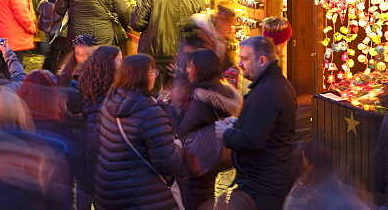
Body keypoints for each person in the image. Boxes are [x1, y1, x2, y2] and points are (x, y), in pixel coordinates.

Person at [95, 53, 184, 209]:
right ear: (141, 77)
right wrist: (177, 147)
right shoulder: (151, 113)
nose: (155, 76)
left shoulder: (110, 101)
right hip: (143, 195)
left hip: (111, 189)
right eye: (152, 72)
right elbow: (167, 164)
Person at [219, 35, 297, 209]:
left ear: (262, 60)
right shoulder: (273, 85)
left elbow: (252, 139)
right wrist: (236, 124)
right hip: (266, 179)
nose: (239, 64)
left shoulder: (267, 92)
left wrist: (226, 134)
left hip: (262, 184)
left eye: (245, 58)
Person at [175, 48, 242, 210]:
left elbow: (181, 131)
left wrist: (168, 107)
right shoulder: (222, 90)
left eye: (190, 66)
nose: (187, 69)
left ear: (201, 69)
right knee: (206, 196)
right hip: (215, 159)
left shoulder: (201, 98)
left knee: (196, 200)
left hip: (197, 160)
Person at [129, 0, 206, 87]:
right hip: (181, 57)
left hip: (153, 54)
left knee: (149, 92)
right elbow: (201, 31)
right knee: (177, 98)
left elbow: (136, 23)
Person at [75, 44, 122, 204]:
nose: (123, 64)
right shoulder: (104, 97)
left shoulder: (89, 87)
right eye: (120, 60)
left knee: (85, 189)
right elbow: (96, 137)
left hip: (87, 149)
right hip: (97, 157)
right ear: (110, 64)